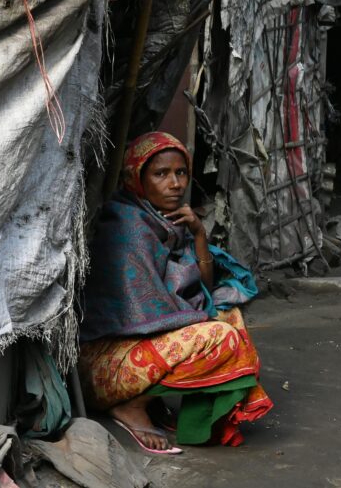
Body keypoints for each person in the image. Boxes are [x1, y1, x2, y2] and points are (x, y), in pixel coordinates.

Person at [79, 132, 272, 454]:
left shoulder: (165, 222)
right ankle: (130, 405)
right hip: (100, 367)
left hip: (134, 352)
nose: (175, 184)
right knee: (220, 336)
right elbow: (146, 314)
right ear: (134, 178)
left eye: (180, 173)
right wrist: (205, 324)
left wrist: (198, 234)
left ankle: (150, 401)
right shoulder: (126, 229)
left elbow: (204, 290)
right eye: (160, 174)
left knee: (229, 319)